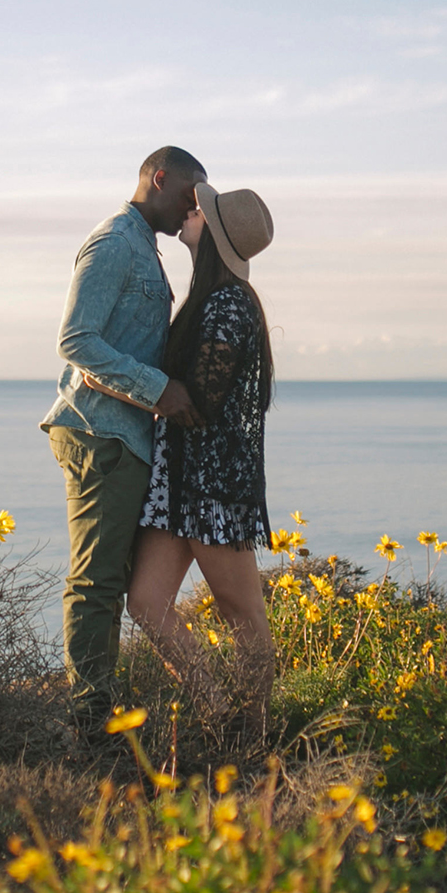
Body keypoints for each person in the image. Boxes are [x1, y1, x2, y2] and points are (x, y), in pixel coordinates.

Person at [41, 146, 205, 742]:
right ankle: (88, 725)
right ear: (158, 179)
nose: (194, 207)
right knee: (96, 582)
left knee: (110, 582)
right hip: (98, 432)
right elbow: (76, 340)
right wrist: (161, 390)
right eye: (190, 193)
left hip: (123, 434)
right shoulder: (114, 242)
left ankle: (99, 711)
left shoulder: (146, 248)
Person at [122, 182, 277, 723]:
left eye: (203, 211)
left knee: (243, 615)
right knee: (146, 602)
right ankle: (215, 711)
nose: (192, 210)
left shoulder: (231, 303)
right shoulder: (208, 299)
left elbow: (203, 399)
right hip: (179, 480)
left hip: (214, 487)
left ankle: (254, 730)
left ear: (216, 235)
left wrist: (139, 380)